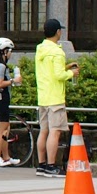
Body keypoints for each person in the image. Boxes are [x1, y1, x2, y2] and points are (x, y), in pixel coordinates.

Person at [35, 18, 80, 177]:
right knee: (55, 132)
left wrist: (66, 67)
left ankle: (41, 165)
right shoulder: (57, 52)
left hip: (43, 96)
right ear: (58, 32)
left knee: (44, 131)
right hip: (55, 97)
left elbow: (50, 70)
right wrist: (71, 73)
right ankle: (51, 166)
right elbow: (59, 75)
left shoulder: (40, 49)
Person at [0, 37, 21, 167]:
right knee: (1, 131)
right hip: (1, 100)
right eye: (10, 51)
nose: (11, 53)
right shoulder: (1, 66)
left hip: (0, 99)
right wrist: (14, 81)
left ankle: (6, 157)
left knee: (6, 129)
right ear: (5, 51)